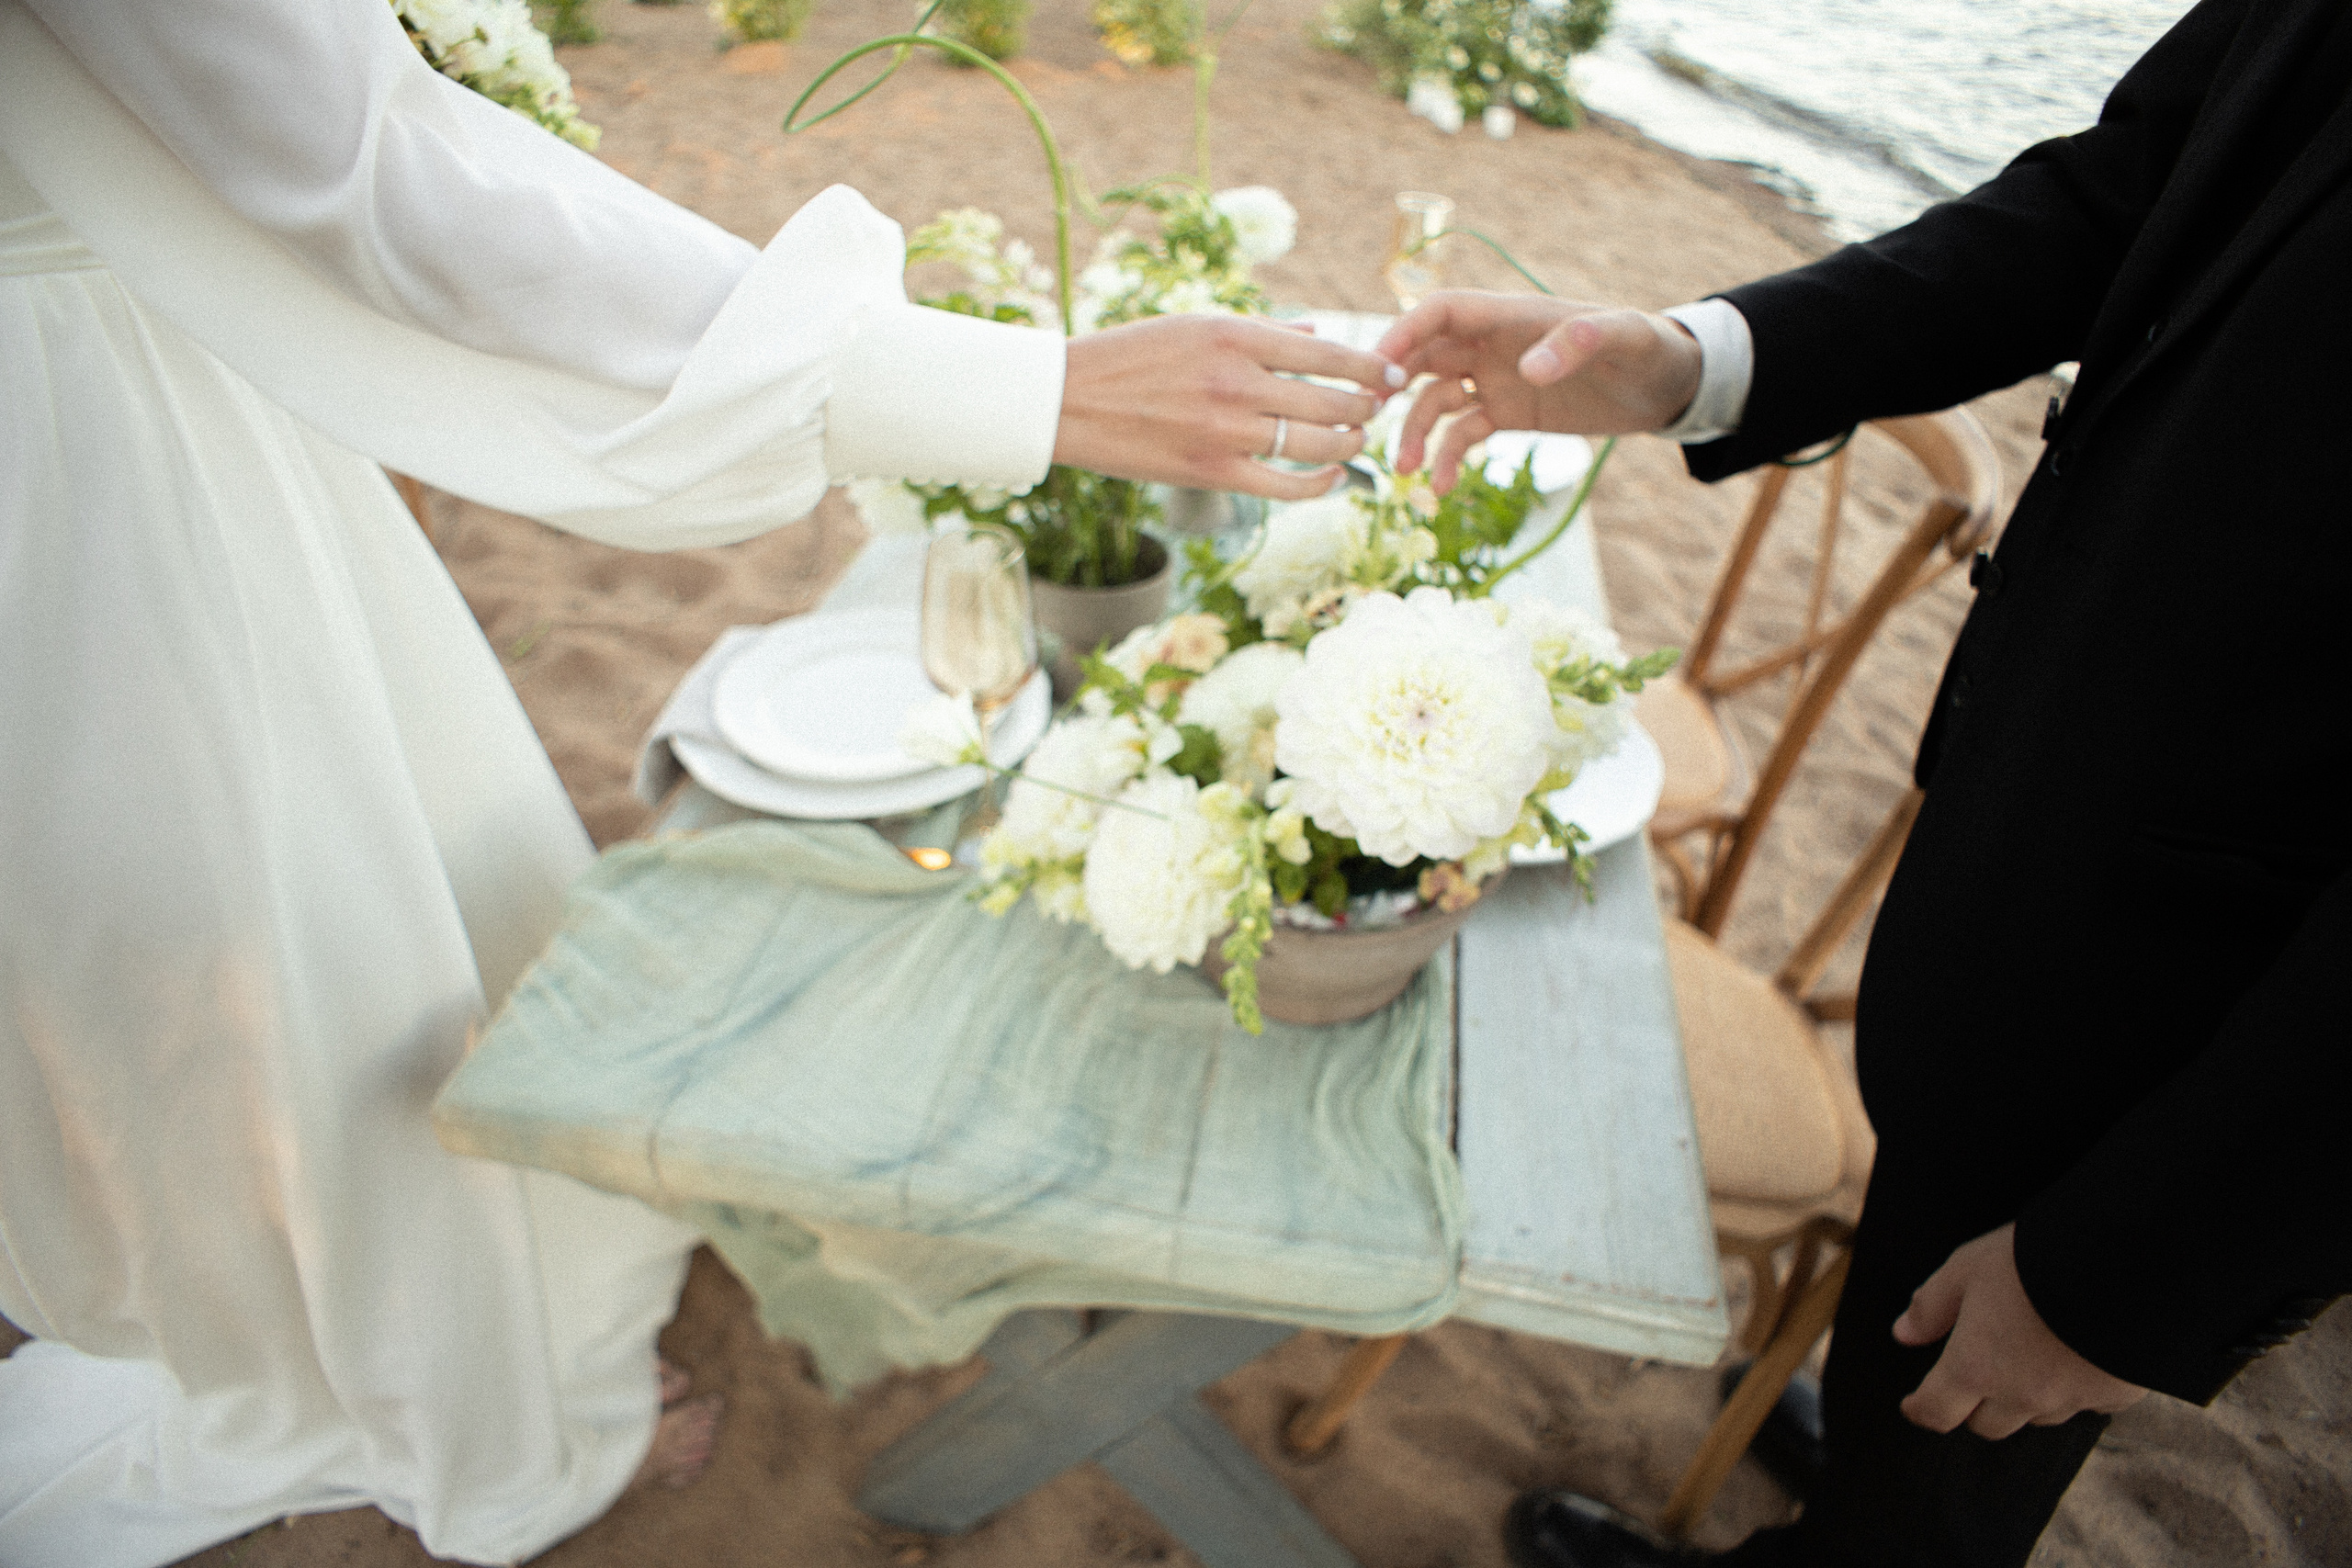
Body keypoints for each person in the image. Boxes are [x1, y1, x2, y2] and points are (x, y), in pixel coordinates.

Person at [0, 2, 1396, 1563]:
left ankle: (459, 1328)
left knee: (365, 935)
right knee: (283, 978)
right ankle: (449, 1407)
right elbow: (370, 167)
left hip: (167, 371)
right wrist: (1028, 390)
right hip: (91, 468)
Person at [1379, 0, 2350, 1562]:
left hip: (2193, 1013)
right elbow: (2119, 196)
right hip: (2024, 853)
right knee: (1918, 1331)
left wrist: (2128, 1279)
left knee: (1944, 1487)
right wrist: (1692, 363)